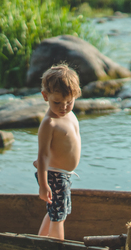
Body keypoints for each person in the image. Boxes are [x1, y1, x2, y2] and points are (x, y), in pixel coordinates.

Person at [33, 64, 81, 240]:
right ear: (45, 96)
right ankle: (59, 249)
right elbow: (43, 155)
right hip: (54, 176)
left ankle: (40, 240)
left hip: (63, 175)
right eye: (57, 102)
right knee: (58, 217)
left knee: (56, 212)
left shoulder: (70, 114)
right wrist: (43, 185)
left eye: (69, 102)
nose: (64, 107)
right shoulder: (49, 123)